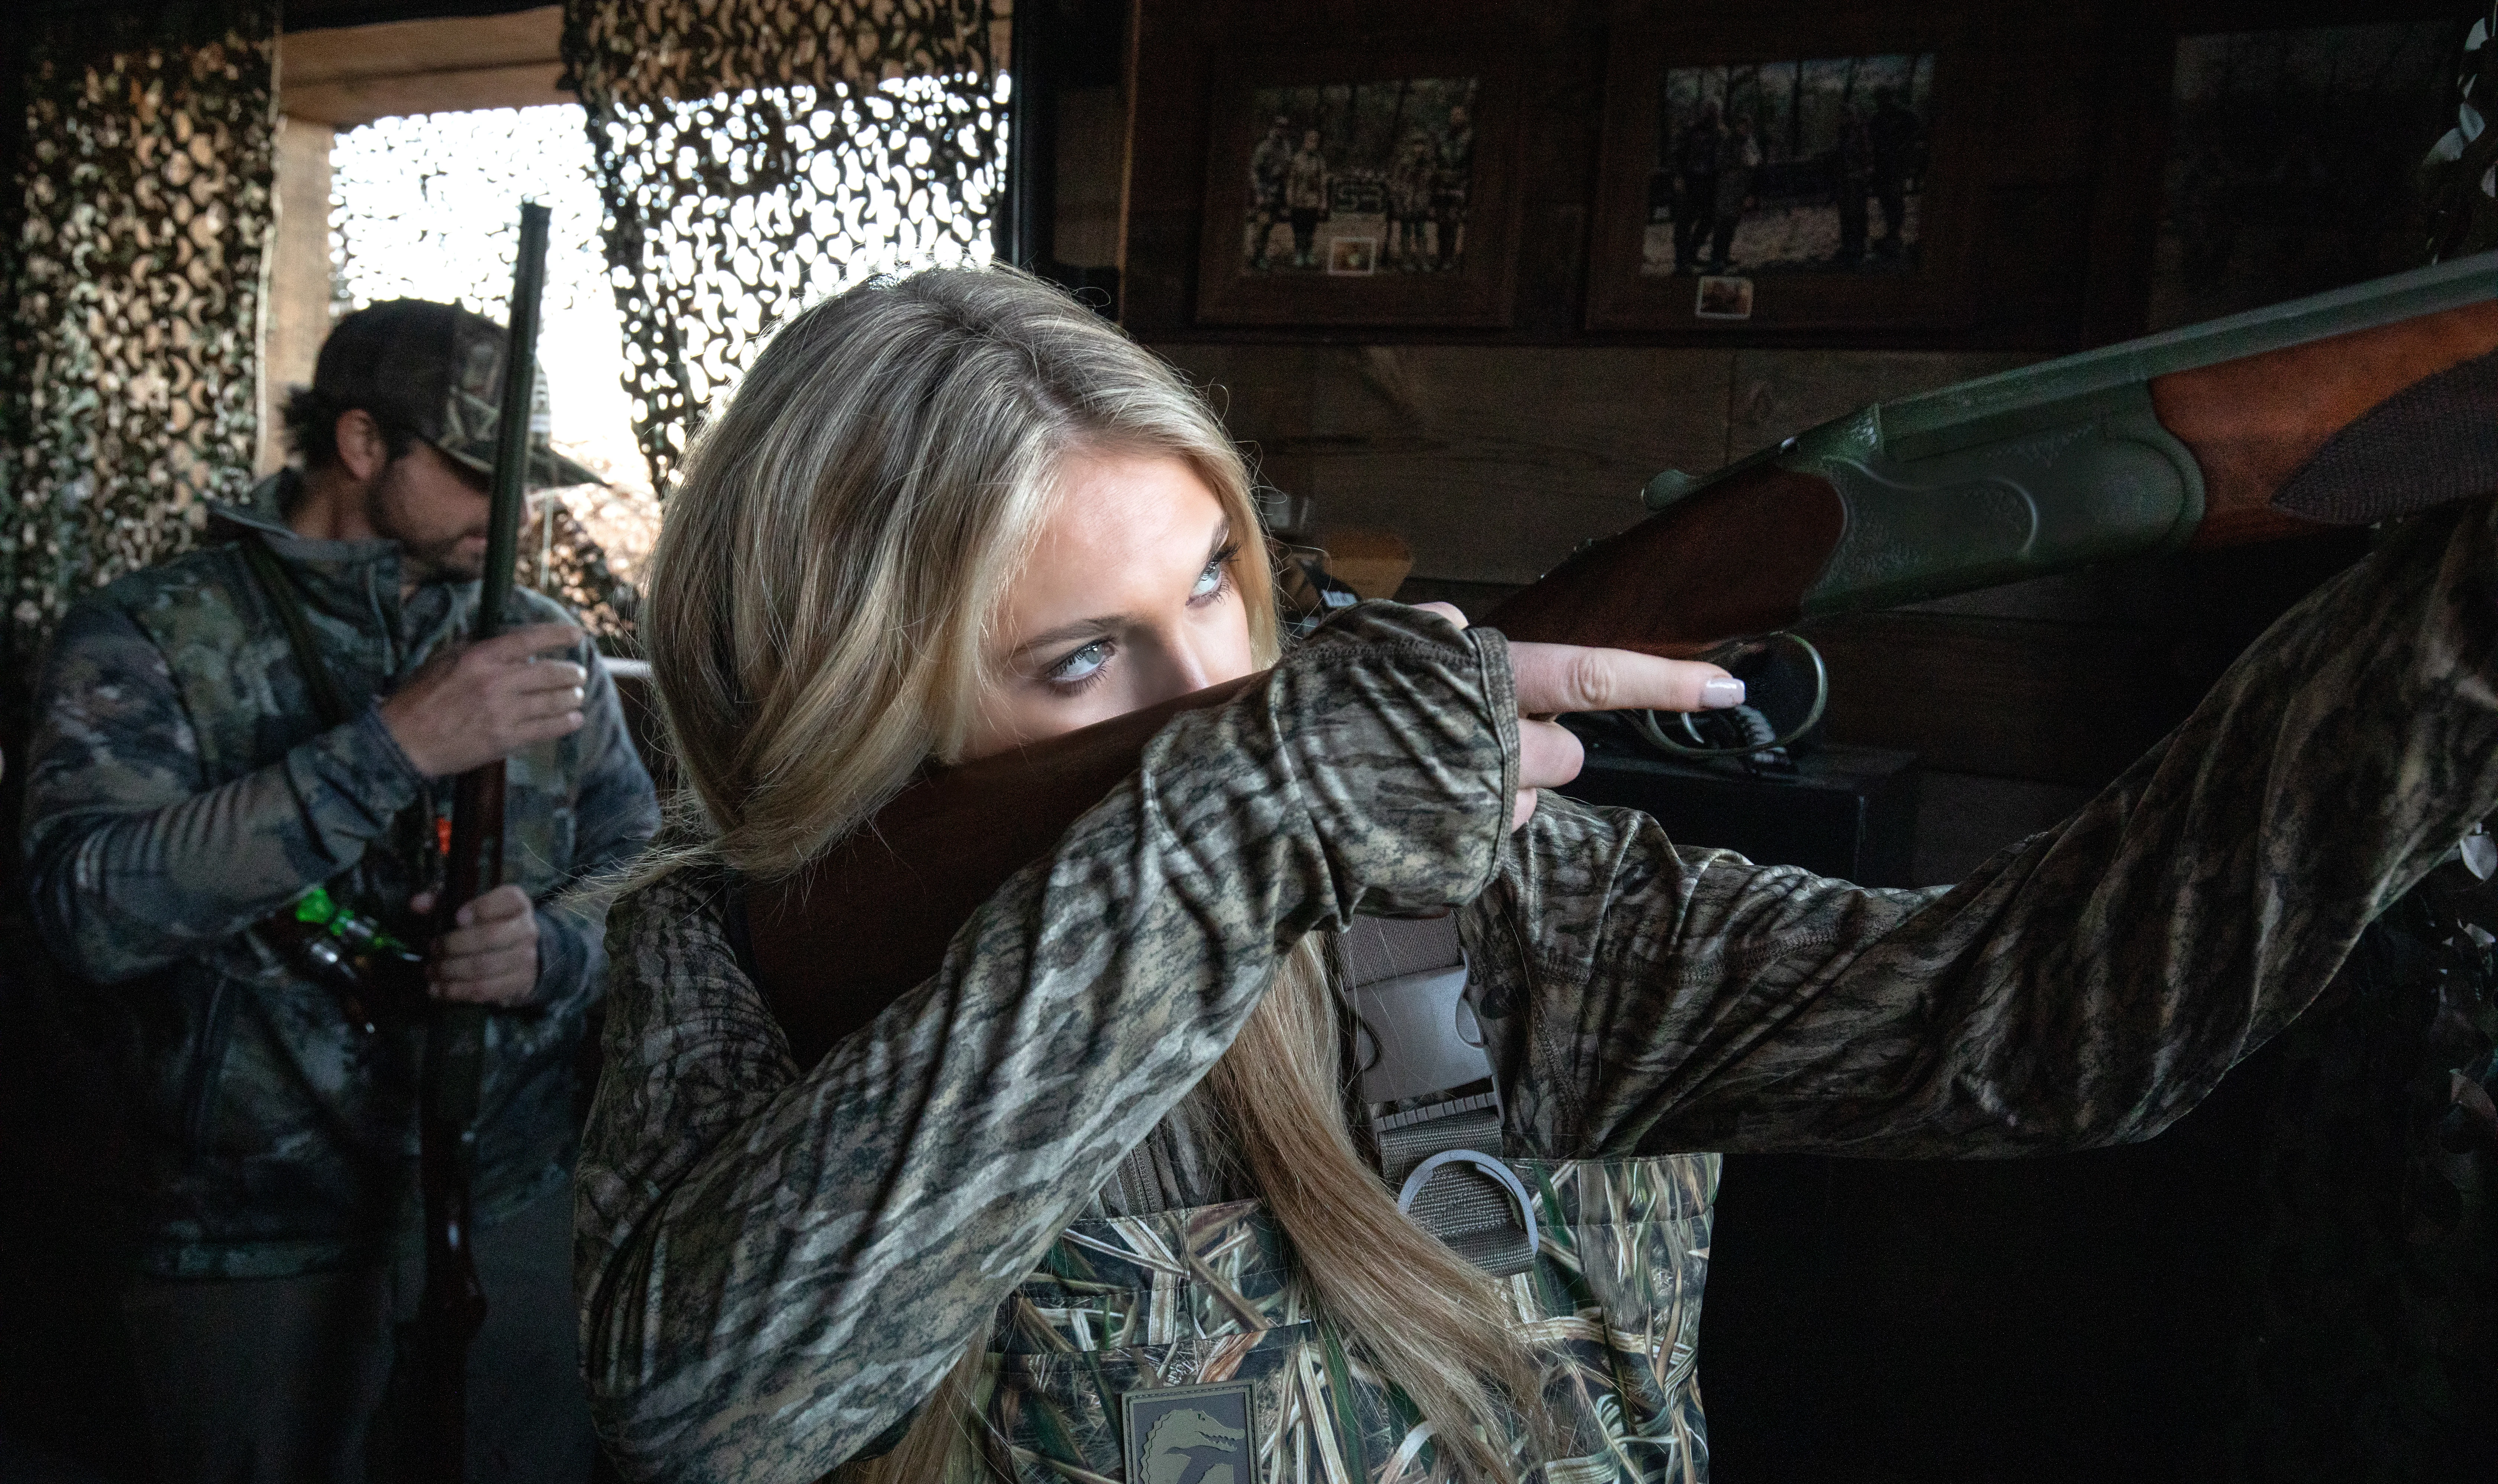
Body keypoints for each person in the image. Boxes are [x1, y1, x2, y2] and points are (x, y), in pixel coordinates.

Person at [574, 268, 2498, 1484]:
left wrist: (2452, 639)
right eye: (1082, 660)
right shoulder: (737, 961)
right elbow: (716, 1409)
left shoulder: (1473, 885)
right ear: (865, 709)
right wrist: (1246, 818)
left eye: (1216, 590)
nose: (1209, 694)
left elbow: (2053, 1027)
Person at [20, 299, 661, 1483]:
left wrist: (550, 953)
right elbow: (86, 913)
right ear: (363, 445)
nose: (516, 512)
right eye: (480, 472)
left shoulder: (540, 638)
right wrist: (394, 748)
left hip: (509, 1193)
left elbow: (641, 877)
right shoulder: (153, 635)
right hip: (250, 1241)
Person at [1673, 98, 1727, 272]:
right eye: (1709, 110)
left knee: (1710, 219)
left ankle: (1692, 252)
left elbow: (1726, 158)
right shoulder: (1691, 130)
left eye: (1715, 110)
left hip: (1711, 182)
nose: (1711, 114)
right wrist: (1679, 176)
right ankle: (1682, 262)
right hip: (1691, 181)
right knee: (1684, 222)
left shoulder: (1722, 133)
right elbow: (1678, 154)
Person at [1246, 114, 1295, 272]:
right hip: (1265, 190)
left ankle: (1259, 254)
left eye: (1284, 127)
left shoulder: (1286, 147)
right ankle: (1257, 256)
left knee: (1270, 225)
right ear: (1274, 128)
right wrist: (1259, 193)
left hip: (1278, 191)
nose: (1281, 130)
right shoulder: (1265, 147)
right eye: (1279, 127)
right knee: (1263, 223)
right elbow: (1255, 171)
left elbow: (1288, 169)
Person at [1431, 103, 1475, 272]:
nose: (1456, 119)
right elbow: (1436, 161)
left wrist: (1464, 182)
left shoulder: (1469, 140)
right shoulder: (1442, 138)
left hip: (1459, 188)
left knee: (1453, 224)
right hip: (1443, 188)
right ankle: (1442, 258)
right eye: (1453, 116)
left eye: (1459, 116)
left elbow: (1470, 165)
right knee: (1442, 225)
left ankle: (1449, 258)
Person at [1284, 127, 1330, 270]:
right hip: (1298, 200)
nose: (1312, 143)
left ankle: (1308, 252)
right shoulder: (1297, 158)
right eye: (1310, 140)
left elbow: (1323, 182)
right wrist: (1290, 198)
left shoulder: (1319, 160)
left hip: (1313, 201)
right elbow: (1292, 180)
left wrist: (1324, 201)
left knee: (1310, 228)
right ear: (1305, 141)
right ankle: (1299, 252)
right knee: (1298, 228)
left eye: (1315, 141)